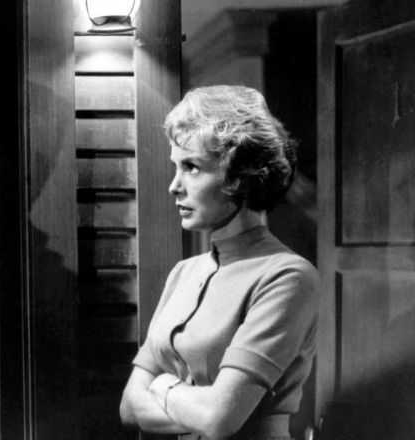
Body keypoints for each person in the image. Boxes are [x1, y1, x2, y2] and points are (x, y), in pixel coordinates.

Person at [120, 85, 319, 440]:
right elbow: (130, 407)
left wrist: (163, 387)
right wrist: (200, 409)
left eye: (192, 167)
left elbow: (218, 419)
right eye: (176, 167)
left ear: (238, 176)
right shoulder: (184, 273)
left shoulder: (288, 276)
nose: (174, 186)